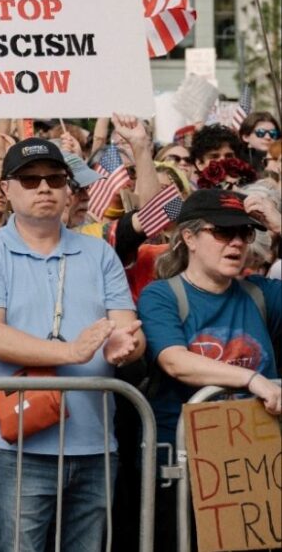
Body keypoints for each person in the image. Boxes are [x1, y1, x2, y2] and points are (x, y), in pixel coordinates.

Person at [0, 138, 145, 552]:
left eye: (55, 178)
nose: (44, 187)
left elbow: (129, 332)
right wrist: (73, 352)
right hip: (20, 446)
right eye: (30, 179)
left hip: (96, 443)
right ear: (6, 189)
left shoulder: (100, 253)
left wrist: (125, 345)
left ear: (68, 188)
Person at [137, 188, 281, 550]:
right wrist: (253, 380)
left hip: (255, 469)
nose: (236, 243)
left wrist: (280, 226)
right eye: (222, 232)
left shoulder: (261, 294)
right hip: (185, 468)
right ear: (189, 238)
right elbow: (175, 360)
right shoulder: (162, 295)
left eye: (244, 233)